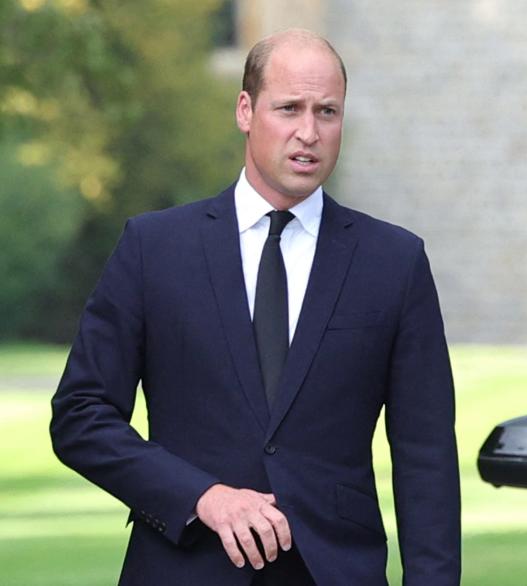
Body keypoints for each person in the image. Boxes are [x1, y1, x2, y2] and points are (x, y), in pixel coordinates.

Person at [50, 29, 460, 586]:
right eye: (289, 108)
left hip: (334, 571)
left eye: (328, 111)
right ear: (245, 110)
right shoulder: (154, 248)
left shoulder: (395, 261)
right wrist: (204, 497)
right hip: (183, 566)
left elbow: (427, 458)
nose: (309, 132)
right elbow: (81, 417)